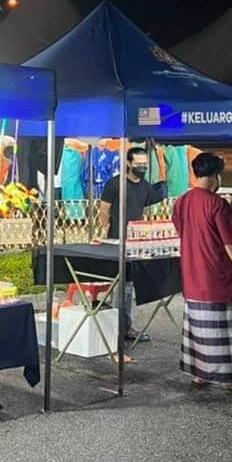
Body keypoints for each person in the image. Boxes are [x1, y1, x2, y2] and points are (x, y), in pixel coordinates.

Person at [172, 152, 232, 393]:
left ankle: (201, 374)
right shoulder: (217, 204)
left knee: (197, 329)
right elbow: (230, 243)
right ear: (216, 175)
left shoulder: (181, 201)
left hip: (192, 274)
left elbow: (181, 230)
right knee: (224, 331)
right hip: (217, 276)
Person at [97, 146, 167, 340]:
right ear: (128, 163)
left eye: (144, 165)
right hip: (116, 239)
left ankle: (124, 325)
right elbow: (104, 209)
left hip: (136, 240)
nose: (142, 167)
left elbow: (146, 205)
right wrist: (106, 232)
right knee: (122, 286)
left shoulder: (144, 185)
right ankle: (119, 327)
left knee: (128, 286)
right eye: (138, 164)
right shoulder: (115, 184)